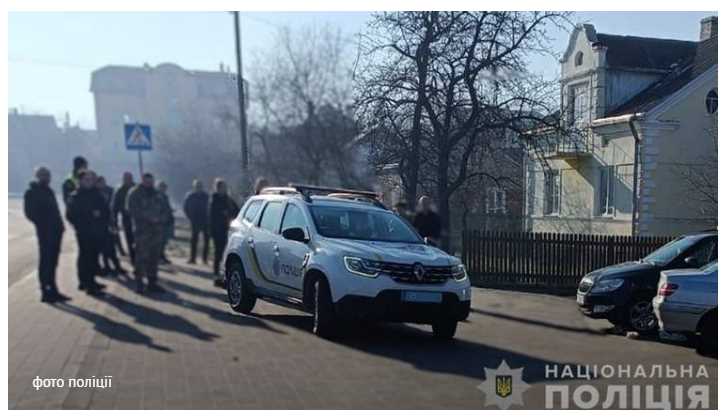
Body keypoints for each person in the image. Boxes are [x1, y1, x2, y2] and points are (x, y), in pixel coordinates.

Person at [23, 166, 70, 303]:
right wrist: (44, 223)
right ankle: (45, 291)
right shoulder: (31, 192)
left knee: (53, 262)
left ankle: (53, 289)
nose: (46, 178)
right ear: (37, 176)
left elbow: (55, 211)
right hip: (45, 232)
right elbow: (30, 213)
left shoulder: (49, 191)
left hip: (55, 231)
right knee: (45, 262)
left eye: (47, 175)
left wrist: (60, 226)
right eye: (43, 175)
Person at [126, 173, 171, 293]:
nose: (149, 184)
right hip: (142, 232)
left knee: (154, 258)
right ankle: (139, 283)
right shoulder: (134, 193)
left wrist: (161, 219)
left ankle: (152, 283)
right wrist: (149, 217)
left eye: (151, 181)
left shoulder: (158, 194)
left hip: (157, 231)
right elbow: (131, 210)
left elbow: (166, 209)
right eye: (147, 181)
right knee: (141, 258)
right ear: (142, 181)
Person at [66, 170, 108, 295]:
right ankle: (87, 284)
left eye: (91, 179)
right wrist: (90, 216)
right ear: (80, 181)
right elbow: (70, 215)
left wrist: (101, 216)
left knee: (94, 257)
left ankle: (92, 281)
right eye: (86, 179)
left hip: (97, 231)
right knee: (86, 258)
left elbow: (105, 210)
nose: (89, 182)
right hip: (84, 232)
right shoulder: (76, 196)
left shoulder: (96, 194)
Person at [209, 178, 239, 287]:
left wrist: (230, 215)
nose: (222, 189)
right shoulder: (214, 200)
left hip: (229, 231)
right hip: (218, 231)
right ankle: (217, 276)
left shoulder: (229, 200)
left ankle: (225, 277)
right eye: (220, 187)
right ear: (217, 188)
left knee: (227, 255)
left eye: (224, 187)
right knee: (218, 254)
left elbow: (237, 211)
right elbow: (212, 217)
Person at [96, 176, 125, 276]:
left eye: (103, 182)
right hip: (100, 225)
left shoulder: (111, 191)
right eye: (99, 183)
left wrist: (114, 222)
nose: (102, 184)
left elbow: (113, 207)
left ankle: (117, 266)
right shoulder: (95, 194)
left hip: (110, 222)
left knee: (112, 247)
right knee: (104, 248)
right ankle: (107, 267)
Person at [183, 179, 209, 264]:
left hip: (205, 221)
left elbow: (210, 208)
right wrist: (190, 217)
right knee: (194, 240)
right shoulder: (190, 196)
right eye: (197, 186)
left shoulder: (206, 196)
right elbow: (185, 207)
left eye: (200, 186)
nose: (199, 187)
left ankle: (204, 259)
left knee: (206, 240)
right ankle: (192, 258)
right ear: (194, 187)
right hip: (195, 221)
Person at [112, 172, 136, 263]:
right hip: (127, 217)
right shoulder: (120, 190)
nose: (128, 180)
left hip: (138, 218)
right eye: (126, 178)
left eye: (130, 178)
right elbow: (115, 206)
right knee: (130, 238)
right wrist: (114, 220)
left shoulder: (136, 188)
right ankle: (133, 258)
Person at [157, 181, 174, 264]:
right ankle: (158, 257)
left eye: (164, 187)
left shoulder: (165, 197)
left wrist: (170, 211)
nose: (163, 189)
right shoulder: (156, 196)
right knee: (159, 241)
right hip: (159, 221)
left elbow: (167, 207)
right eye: (162, 187)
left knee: (164, 241)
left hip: (166, 221)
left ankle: (162, 256)